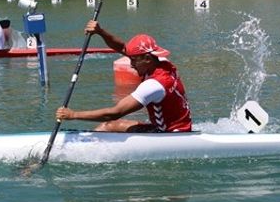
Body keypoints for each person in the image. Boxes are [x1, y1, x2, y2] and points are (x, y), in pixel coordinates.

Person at [55, 21, 192, 132]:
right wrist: (100, 32)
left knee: (108, 123)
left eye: (134, 60)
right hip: (178, 126)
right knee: (109, 126)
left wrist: (73, 115)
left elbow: (115, 112)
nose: (131, 65)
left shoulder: (153, 85)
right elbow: (122, 48)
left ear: (147, 59)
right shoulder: (163, 62)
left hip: (169, 135)